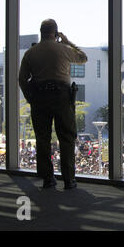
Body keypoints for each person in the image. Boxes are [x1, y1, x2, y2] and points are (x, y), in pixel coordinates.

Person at [19, 19, 87, 190]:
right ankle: (69, 180)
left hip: (40, 98)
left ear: (41, 32)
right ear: (55, 33)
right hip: (62, 97)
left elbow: (22, 79)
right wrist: (67, 41)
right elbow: (83, 58)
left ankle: (48, 178)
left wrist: (31, 98)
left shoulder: (30, 53)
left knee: (42, 139)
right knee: (66, 138)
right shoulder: (63, 49)